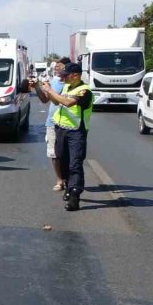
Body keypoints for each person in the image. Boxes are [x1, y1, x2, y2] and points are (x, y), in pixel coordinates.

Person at [39, 63, 93, 211]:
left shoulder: (84, 91)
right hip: (61, 129)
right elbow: (57, 101)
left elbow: (68, 103)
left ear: (75, 75)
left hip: (76, 131)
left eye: (66, 74)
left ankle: (75, 196)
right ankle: (69, 187)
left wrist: (50, 90)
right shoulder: (67, 87)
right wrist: (45, 90)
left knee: (75, 163)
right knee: (62, 160)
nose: (63, 77)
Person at [32, 57, 71, 192]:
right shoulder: (54, 81)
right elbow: (45, 100)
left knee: (67, 153)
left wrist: (49, 90)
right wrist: (37, 87)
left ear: (66, 68)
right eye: (55, 66)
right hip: (52, 123)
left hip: (68, 123)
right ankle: (60, 180)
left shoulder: (71, 84)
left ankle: (70, 179)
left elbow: (60, 101)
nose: (56, 68)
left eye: (58, 66)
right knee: (54, 154)